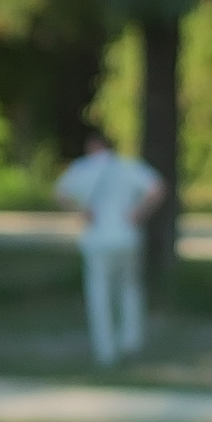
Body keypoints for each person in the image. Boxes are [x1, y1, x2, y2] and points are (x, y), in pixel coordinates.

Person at [54, 121, 164, 365]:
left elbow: (60, 193)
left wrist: (81, 211)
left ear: (90, 146)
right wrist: (138, 213)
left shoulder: (82, 169)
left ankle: (105, 350)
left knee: (99, 293)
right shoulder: (127, 166)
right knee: (129, 289)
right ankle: (131, 341)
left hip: (97, 239)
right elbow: (156, 188)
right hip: (127, 236)